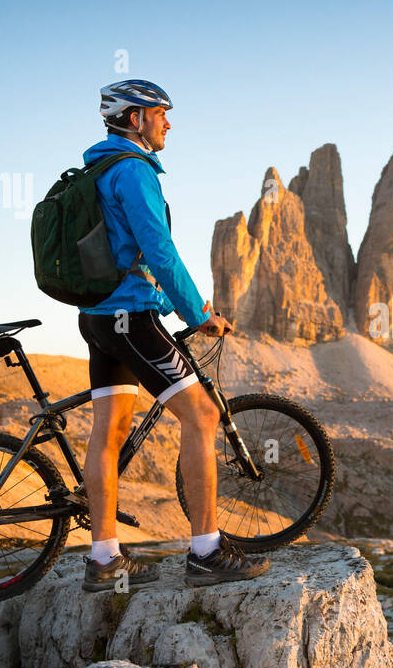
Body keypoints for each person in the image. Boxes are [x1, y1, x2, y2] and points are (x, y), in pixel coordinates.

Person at [75, 78, 270, 591]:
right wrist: (199, 311)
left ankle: (104, 559)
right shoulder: (134, 171)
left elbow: (120, 251)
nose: (168, 122)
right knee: (202, 414)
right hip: (129, 319)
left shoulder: (98, 167)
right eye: (161, 113)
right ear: (135, 118)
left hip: (97, 318)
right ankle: (206, 551)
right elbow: (158, 252)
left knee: (110, 432)